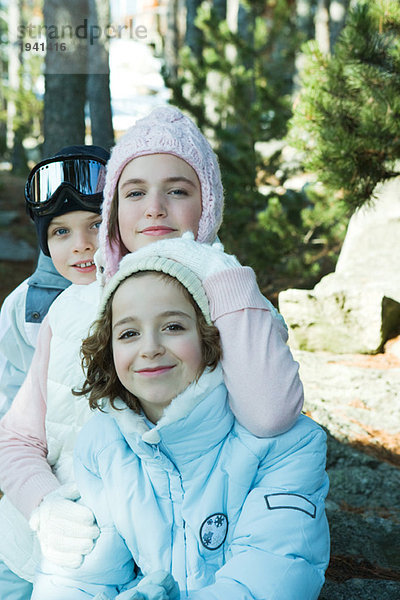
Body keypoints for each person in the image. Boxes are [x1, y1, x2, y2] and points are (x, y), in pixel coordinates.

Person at [0, 106, 304, 585]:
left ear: (208, 203)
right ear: (114, 210)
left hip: (183, 555)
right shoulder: (69, 309)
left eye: (178, 191)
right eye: (135, 192)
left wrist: (223, 276)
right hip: (52, 553)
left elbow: (272, 417)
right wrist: (43, 505)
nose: (154, 208)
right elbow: (17, 438)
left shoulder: (234, 302)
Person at [31, 239, 330, 600]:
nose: (150, 347)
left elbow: (274, 577)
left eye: (173, 326)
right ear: (109, 352)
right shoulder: (103, 442)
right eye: (128, 333)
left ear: (209, 339)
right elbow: (79, 580)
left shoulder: (289, 445)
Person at [0, 144, 109, 598]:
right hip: (35, 509)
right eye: (60, 231)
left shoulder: (151, 301)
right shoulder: (28, 309)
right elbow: (14, 411)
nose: (81, 244)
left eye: (97, 225)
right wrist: (35, 499)